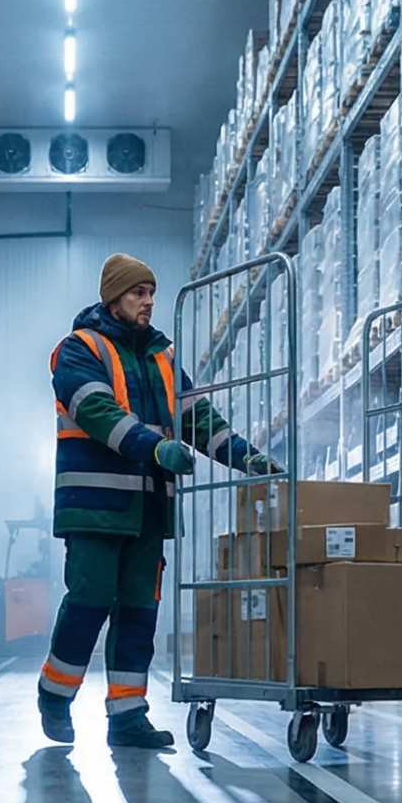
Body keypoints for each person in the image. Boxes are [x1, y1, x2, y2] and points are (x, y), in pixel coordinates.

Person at [40, 253, 280, 748]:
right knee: (89, 601)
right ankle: (55, 695)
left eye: (151, 292)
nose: (148, 301)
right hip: (96, 506)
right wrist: (155, 447)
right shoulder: (79, 349)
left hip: (149, 510)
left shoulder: (162, 359)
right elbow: (96, 411)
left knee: (139, 611)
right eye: (138, 292)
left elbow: (198, 418)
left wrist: (245, 456)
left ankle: (128, 716)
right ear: (114, 297)